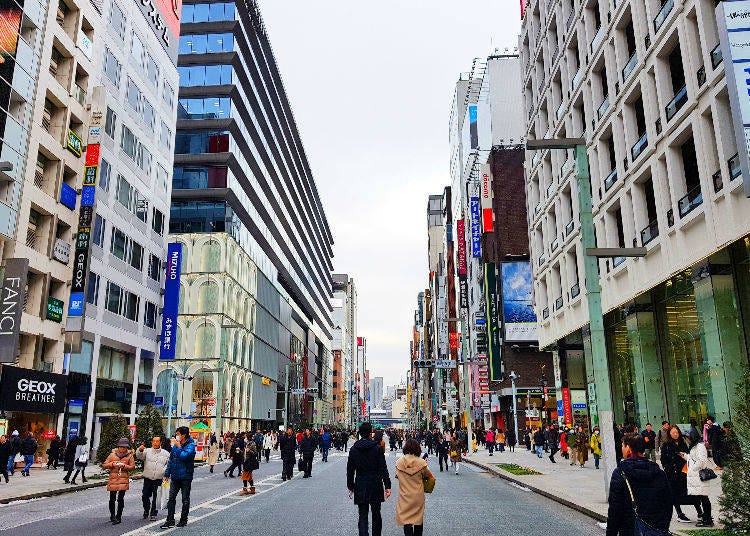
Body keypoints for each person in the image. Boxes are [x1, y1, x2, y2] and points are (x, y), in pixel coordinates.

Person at [606, 433, 672, 536]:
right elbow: (668, 502)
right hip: (656, 529)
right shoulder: (659, 472)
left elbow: (615, 509)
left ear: (628, 448)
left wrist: (611, 533)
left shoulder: (620, 472)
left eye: (623, 446)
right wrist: (663, 526)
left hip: (630, 528)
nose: (622, 448)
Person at [347, 423, 391, 536]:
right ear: (370, 432)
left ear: (360, 433)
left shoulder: (354, 449)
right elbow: (383, 468)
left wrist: (350, 486)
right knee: (376, 514)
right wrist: (387, 486)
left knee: (362, 515)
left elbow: (350, 470)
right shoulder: (377, 448)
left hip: (360, 483)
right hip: (375, 483)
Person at [660, 425, 700, 523]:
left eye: (677, 432)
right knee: (675, 494)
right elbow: (663, 459)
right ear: (669, 434)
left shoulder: (682, 443)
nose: (675, 434)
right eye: (673, 433)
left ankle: (700, 511)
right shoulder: (666, 444)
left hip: (684, 471)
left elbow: (688, 455)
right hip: (672, 473)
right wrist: (667, 468)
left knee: (691, 492)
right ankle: (680, 513)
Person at [161, 426, 196, 529]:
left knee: (185, 499)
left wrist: (179, 446)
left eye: (178, 434)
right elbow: (171, 460)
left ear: (183, 435)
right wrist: (167, 474)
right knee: (171, 498)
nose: (177, 436)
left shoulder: (191, 445)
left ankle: (183, 520)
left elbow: (185, 457)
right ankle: (170, 520)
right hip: (175, 476)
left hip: (186, 476)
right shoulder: (176, 445)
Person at [395, 439, 432, 536]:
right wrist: (425, 463)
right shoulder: (421, 463)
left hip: (404, 495)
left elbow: (397, 476)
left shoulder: (399, 462)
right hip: (418, 495)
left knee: (406, 520)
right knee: (418, 519)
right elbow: (428, 476)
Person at [102, 438, 136, 525]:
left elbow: (132, 467)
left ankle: (119, 516)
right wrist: (112, 464)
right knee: (112, 498)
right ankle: (112, 516)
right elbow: (104, 465)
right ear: (118, 447)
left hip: (123, 479)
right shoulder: (112, 455)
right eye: (121, 447)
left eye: (124, 447)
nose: (122, 449)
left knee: (121, 498)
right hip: (113, 478)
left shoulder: (129, 456)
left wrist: (124, 466)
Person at [136, 436, 170, 521]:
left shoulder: (166, 453)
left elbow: (168, 465)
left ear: (160, 443)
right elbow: (139, 457)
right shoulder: (147, 451)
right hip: (148, 477)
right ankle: (146, 510)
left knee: (156, 496)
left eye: (157, 441)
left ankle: (153, 513)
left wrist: (164, 472)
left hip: (159, 478)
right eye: (153, 441)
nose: (155, 443)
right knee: (145, 496)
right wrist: (140, 450)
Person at [685, 429, 714, 527]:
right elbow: (694, 458)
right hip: (697, 476)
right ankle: (706, 517)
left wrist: (692, 469)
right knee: (702, 497)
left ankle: (708, 520)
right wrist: (685, 456)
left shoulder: (700, 446)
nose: (687, 440)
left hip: (699, 475)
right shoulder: (695, 446)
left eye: (687, 438)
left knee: (704, 497)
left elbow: (702, 461)